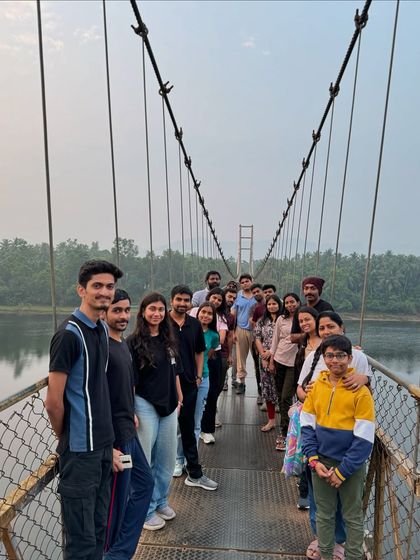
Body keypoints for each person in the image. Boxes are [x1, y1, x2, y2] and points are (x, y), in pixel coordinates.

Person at [45, 259, 123, 560]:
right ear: (82, 290)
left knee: (99, 529)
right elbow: (54, 402)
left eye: (109, 286)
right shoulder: (68, 335)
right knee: (80, 540)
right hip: (80, 453)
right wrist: (68, 437)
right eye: (97, 286)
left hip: (104, 447)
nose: (105, 292)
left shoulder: (101, 329)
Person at [297, 311, 372, 559]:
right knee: (324, 513)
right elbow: (307, 425)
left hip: (348, 466)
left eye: (341, 356)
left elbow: (364, 439)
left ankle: (352, 555)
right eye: (330, 356)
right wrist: (313, 460)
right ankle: (326, 553)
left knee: (352, 515)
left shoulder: (360, 393)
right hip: (321, 461)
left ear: (351, 358)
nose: (335, 361)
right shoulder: (317, 386)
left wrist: (342, 471)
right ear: (323, 357)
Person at [103, 289, 154, 559]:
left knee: (144, 485)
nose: (123, 316)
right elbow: (97, 400)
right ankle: (112, 554)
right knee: (115, 505)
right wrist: (108, 446)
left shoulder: (122, 344)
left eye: (126, 310)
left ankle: (120, 552)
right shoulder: (102, 348)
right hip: (116, 441)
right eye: (116, 310)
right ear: (104, 312)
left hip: (128, 431)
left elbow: (125, 386)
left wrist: (131, 409)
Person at [127, 292, 183, 531]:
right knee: (146, 459)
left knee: (167, 459)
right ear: (142, 312)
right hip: (145, 403)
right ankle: (146, 509)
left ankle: (160, 500)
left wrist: (179, 397)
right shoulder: (133, 342)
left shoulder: (167, 339)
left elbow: (174, 370)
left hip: (169, 404)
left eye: (161, 309)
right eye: (152, 309)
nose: (157, 313)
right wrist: (131, 409)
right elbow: (129, 380)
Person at [170, 285, 218, 490]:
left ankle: (194, 472)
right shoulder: (162, 322)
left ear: (191, 303)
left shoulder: (194, 325)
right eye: (178, 299)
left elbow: (201, 352)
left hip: (189, 382)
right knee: (167, 429)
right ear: (171, 300)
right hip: (165, 384)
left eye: (186, 300)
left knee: (188, 428)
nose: (182, 303)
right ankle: (171, 464)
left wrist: (198, 376)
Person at [268, 292, 301, 450]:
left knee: (287, 396)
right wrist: (271, 360)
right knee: (280, 396)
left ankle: (286, 432)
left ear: (298, 302)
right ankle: (286, 428)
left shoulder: (303, 318)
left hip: (294, 363)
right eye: (287, 303)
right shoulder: (281, 319)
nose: (290, 305)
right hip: (279, 359)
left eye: (292, 302)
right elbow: (275, 340)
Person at [254, 294, 283, 432]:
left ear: (279, 305)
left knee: (283, 392)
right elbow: (257, 338)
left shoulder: (284, 320)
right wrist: (263, 355)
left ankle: (285, 422)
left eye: (274, 303)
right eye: (269, 304)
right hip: (265, 358)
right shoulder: (262, 321)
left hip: (282, 358)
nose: (272, 306)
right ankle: (271, 421)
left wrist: (271, 355)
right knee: (267, 389)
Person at [193, 302, 220, 444]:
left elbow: (206, 356)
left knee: (197, 417)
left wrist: (200, 373)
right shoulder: (189, 329)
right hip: (184, 378)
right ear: (198, 313)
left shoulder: (214, 336)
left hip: (203, 377)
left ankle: (192, 457)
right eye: (203, 312)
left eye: (210, 314)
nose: (206, 316)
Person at [231, 273, 257, 395]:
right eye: (242, 282)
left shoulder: (257, 295)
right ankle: (242, 383)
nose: (245, 283)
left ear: (251, 281)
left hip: (256, 332)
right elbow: (233, 315)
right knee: (240, 358)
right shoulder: (237, 297)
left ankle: (261, 386)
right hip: (241, 329)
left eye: (247, 281)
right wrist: (233, 331)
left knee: (258, 358)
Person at [291, 277, 333, 344]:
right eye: (306, 288)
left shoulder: (326, 307)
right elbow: (293, 337)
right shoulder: (299, 310)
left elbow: (331, 332)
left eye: (313, 288)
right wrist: (311, 333)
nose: (309, 292)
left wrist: (305, 333)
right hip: (303, 351)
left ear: (319, 290)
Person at [222, 287, 237, 391]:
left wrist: (230, 355)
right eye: (229, 297)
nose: (231, 300)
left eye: (234, 298)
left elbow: (230, 336)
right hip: (207, 351)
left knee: (219, 381)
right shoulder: (211, 312)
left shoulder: (231, 317)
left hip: (223, 352)